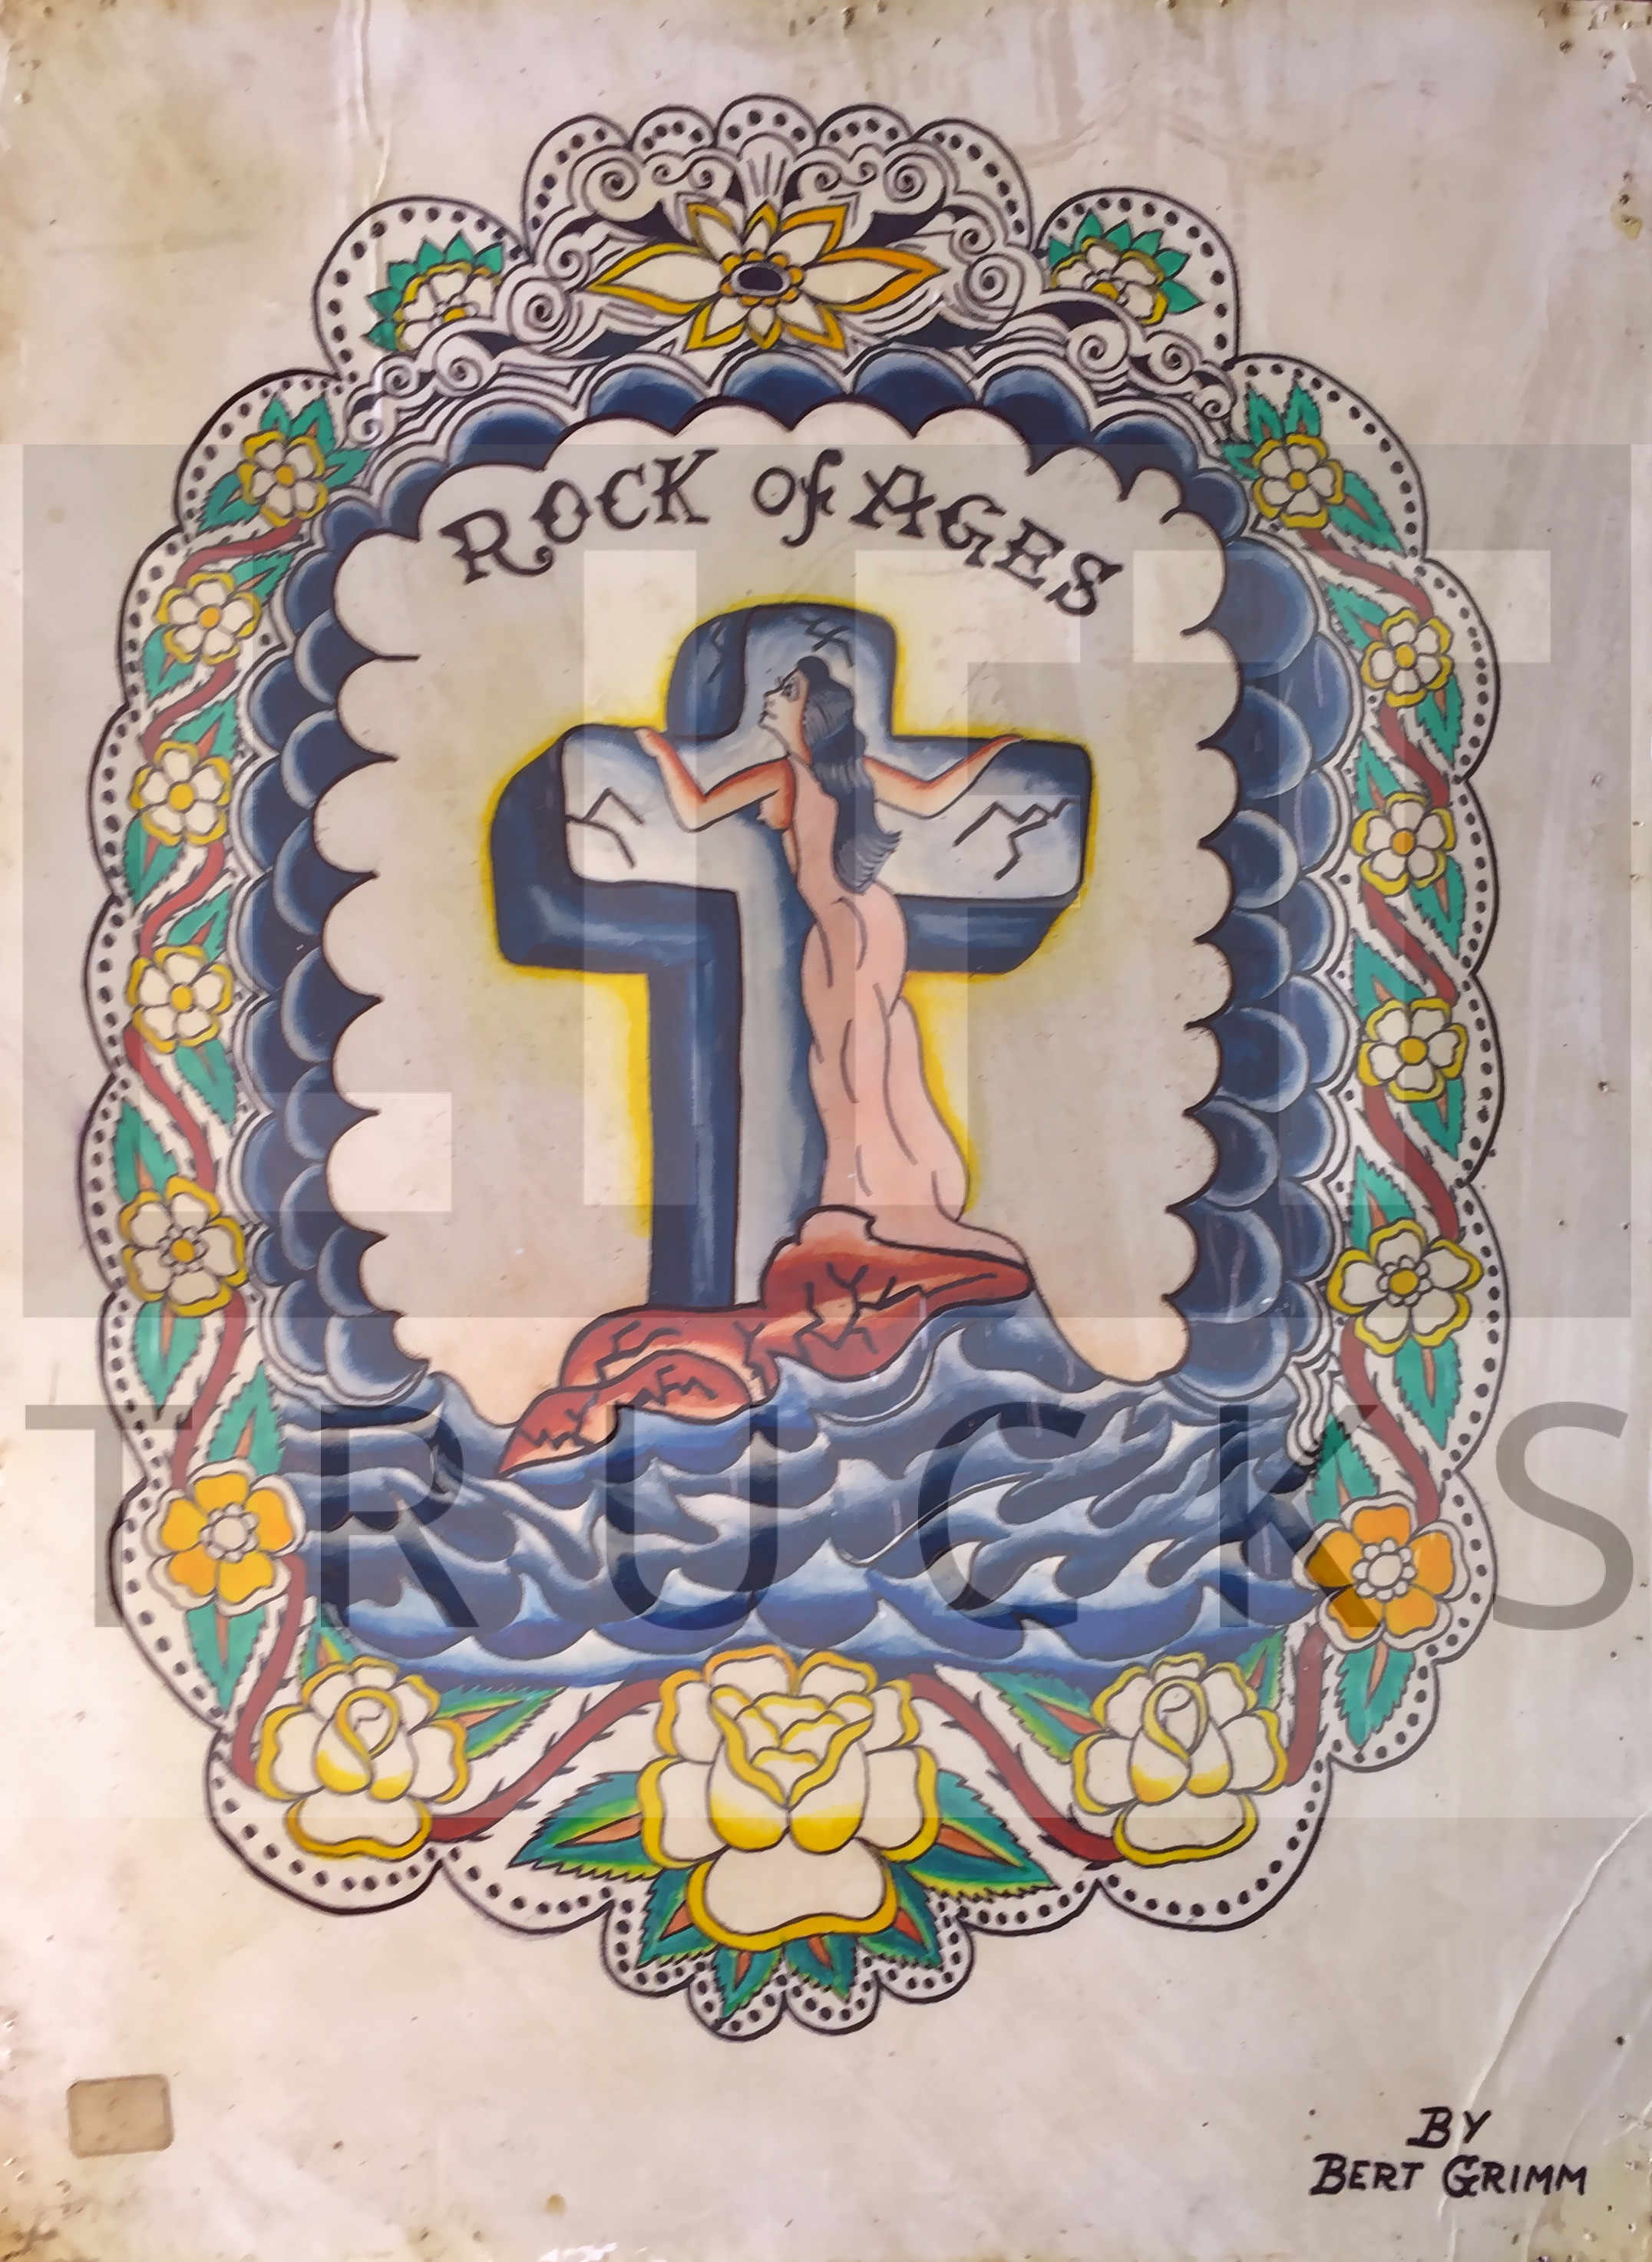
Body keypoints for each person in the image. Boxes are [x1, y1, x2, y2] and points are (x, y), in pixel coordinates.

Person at [638, 653, 1023, 1260]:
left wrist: (991, 750)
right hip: (838, 927)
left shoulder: (823, 773)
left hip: (860, 923)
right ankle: (871, 1201)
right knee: (837, 1063)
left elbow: (927, 799)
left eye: (786, 690)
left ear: (810, 713)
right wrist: (663, 752)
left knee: (856, 1062)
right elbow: (697, 811)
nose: (772, 695)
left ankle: (865, 1206)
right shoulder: (788, 774)